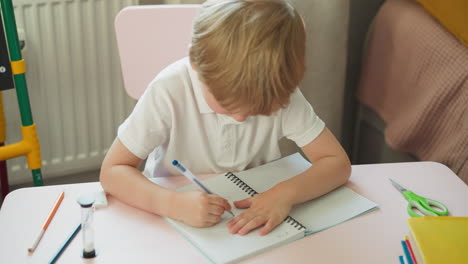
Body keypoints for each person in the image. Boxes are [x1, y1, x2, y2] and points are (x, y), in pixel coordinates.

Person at [100, 0, 351, 236]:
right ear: (195, 63)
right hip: (171, 223)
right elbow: (113, 171)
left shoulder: (279, 91)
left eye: (257, 110)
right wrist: (172, 204)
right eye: (227, 106)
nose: (241, 119)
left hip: (251, 216)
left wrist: (285, 194)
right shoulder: (168, 91)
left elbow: (336, 162)